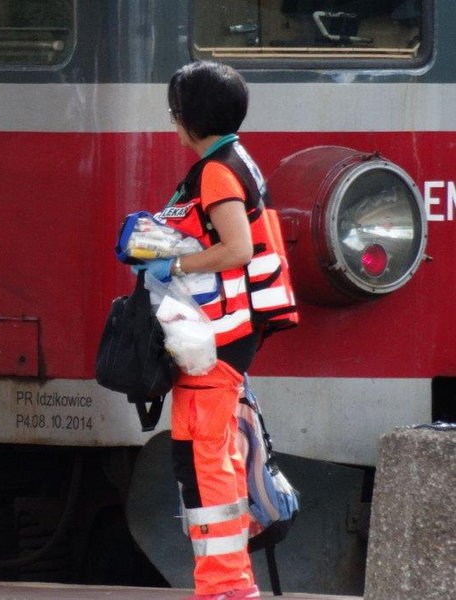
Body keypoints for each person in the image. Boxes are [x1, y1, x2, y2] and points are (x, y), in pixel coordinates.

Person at [133, 61, 293, 600]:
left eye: (174, 111)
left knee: (206, 462)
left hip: (216, 341)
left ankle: (225, 588)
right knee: (204, 456)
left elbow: (236, 249)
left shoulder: (217, 171)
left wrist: (172, 267)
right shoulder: (229, 162)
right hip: (217, 338)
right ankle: (229, 584)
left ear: (187, 117)